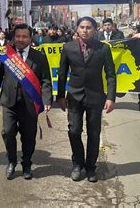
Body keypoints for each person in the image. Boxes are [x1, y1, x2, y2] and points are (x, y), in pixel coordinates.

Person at [57, 16, 116, 183]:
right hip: (74, 97)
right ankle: (77, 164)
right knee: (74, 131)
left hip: (96, 97)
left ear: (95, 30)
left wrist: (111, 97)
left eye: (88, 27)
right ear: (77, 29)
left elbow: (111, 75)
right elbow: (62, 74)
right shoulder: (68, 48)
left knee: (94, 133)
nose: (85, 30)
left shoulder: (103, 49)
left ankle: (90, 167)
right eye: (82, 27)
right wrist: (60, 96)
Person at [0, 24, 52, 180]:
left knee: (28, 135)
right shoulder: (7, 54)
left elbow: (46, 80)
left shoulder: (39, 57)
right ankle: (11, 161)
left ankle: (26, 164)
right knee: (7, 132)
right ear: (14, 37)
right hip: (9, 101)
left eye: (24, 36)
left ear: (30, 38)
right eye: (18, 36)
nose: (20, 39)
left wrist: (46, 99)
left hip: (30, 103)